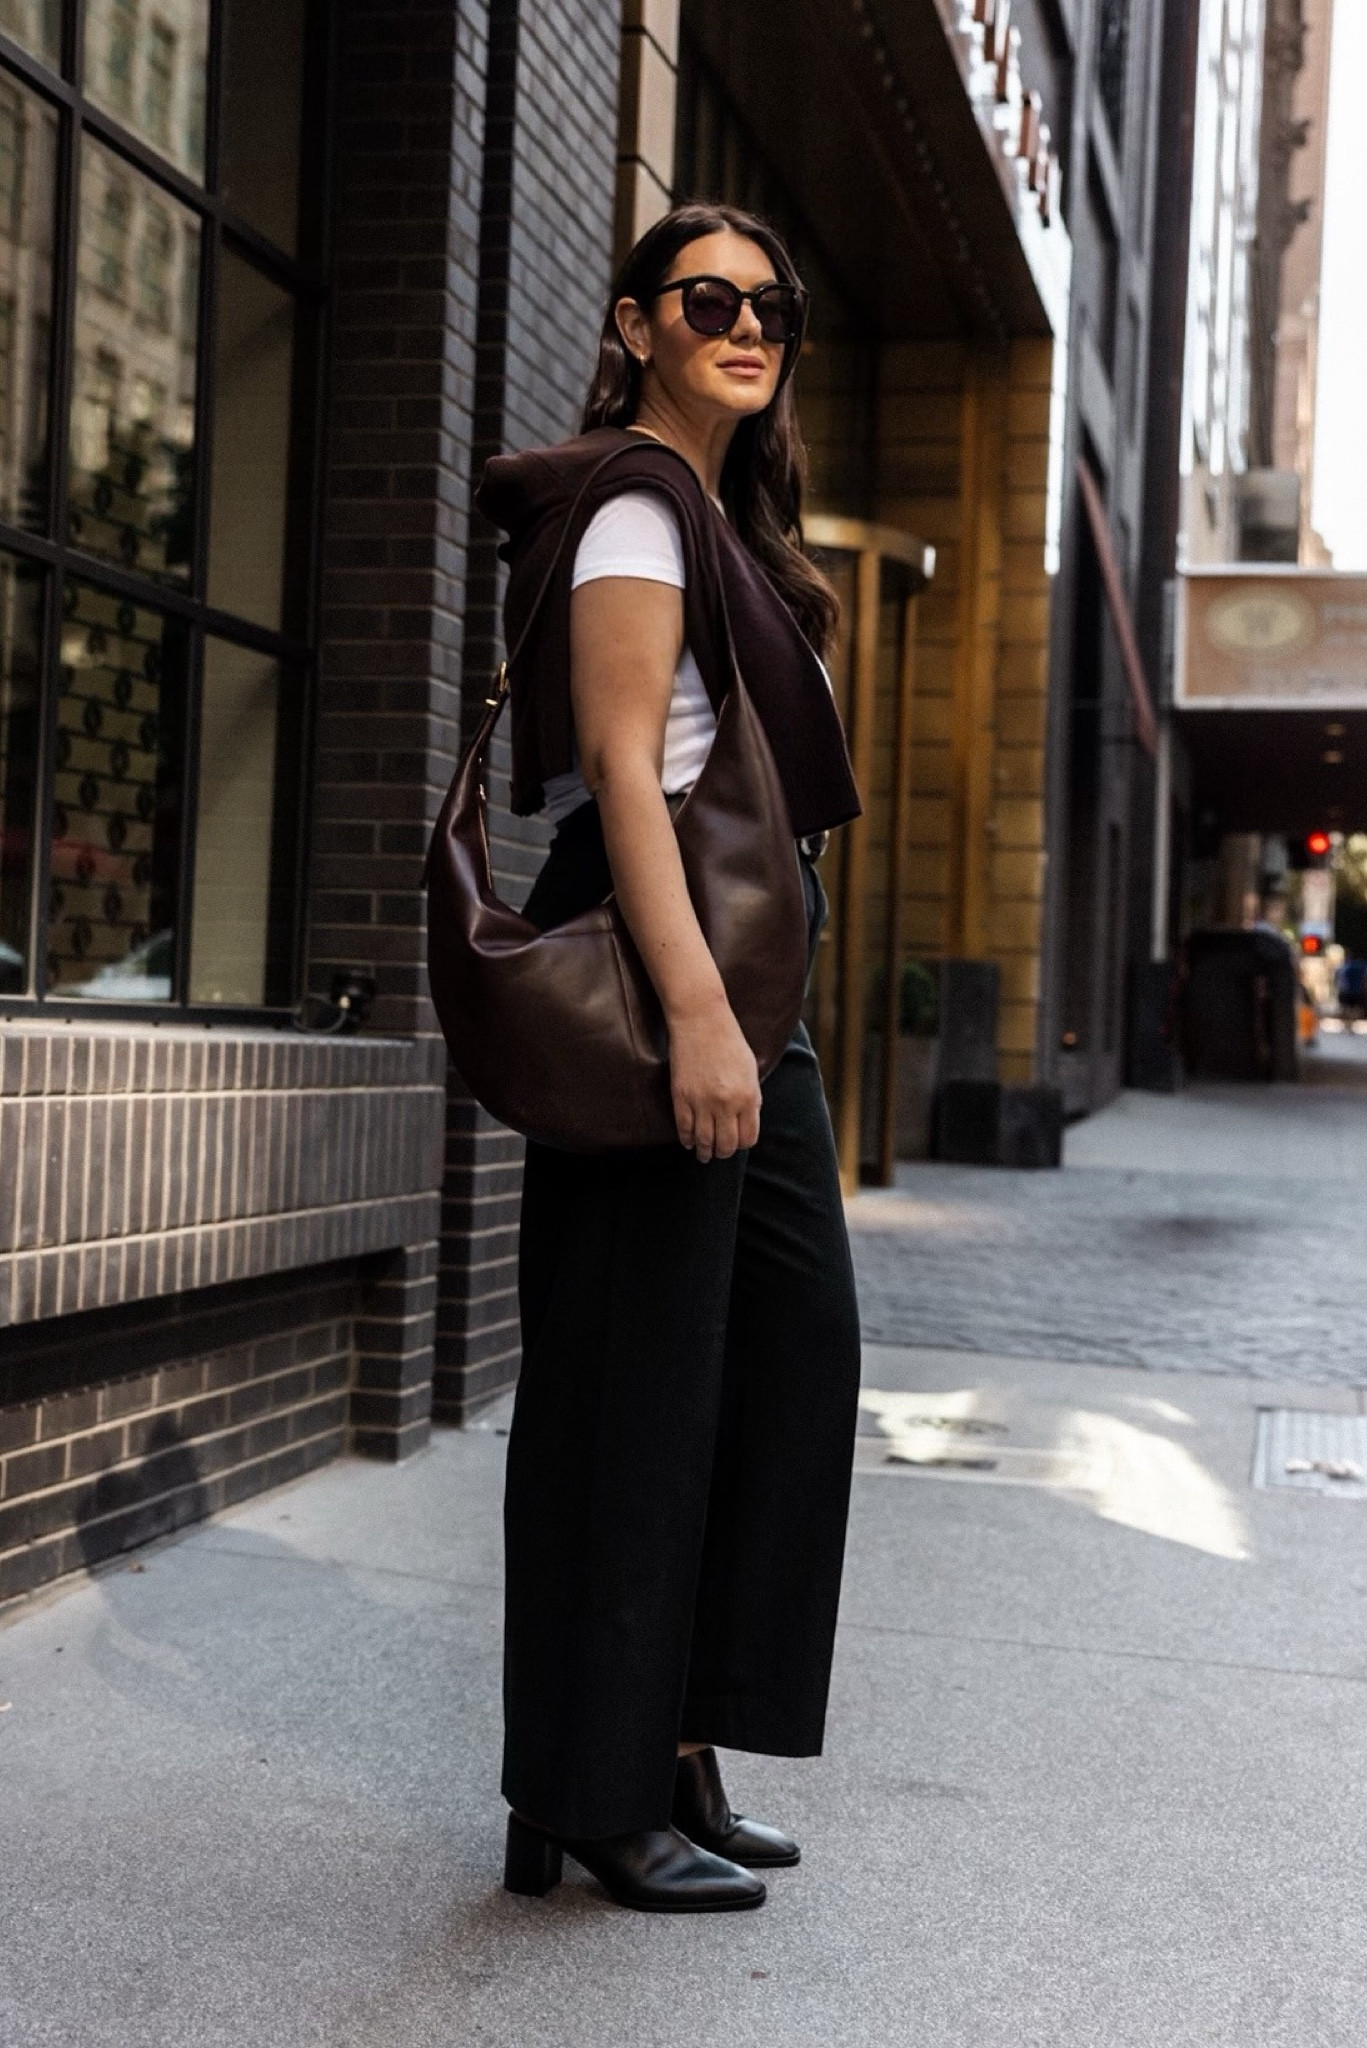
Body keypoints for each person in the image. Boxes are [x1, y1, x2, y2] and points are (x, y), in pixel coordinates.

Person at [475, 202, 864, 1914]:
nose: (749, 326)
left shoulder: (720, 517)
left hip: (749, 993)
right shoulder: (636, 502)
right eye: (711, 300)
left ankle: (678, 1740)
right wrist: (700, 1017)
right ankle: (591, 1788)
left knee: (785, 1358)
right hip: (671, 979)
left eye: (773, 306)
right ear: (637, 324)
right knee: (631, 1394)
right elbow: (624, 770)